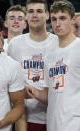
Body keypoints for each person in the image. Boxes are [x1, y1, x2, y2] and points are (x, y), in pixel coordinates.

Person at [27, 1, 80, 131]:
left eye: (62, 18)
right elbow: (50, 94)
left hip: (74, 122)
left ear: (73, 20)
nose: (57, 24)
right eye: (54, 19)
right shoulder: (50, 55)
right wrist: (34, 92)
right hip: (53, 123)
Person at [7, 0, 59, 131]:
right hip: (21, 118)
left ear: (47, 15)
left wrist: (39, 94)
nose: (34, 15)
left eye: (39, 11)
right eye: (30, 11)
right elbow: (8, 80)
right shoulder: (14, 45)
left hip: (54, 117)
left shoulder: (58, 43)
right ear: (26, 16)